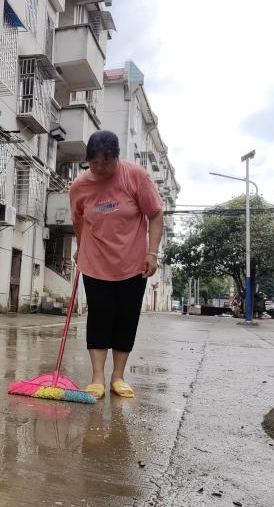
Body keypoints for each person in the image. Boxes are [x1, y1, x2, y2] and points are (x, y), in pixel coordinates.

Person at [69, 130, 164, 399]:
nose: (99, 169)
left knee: (126, 319)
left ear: (117, 158)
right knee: (99, 317)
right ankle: (97, 376)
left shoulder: (135, 176)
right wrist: (80, 248)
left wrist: (152, 252)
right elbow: (78, 221)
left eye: (106, 162)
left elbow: (156, 214)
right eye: (93, 163)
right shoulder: (79, 187)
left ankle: (117, 376)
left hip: (133, 264)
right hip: (96, 261)